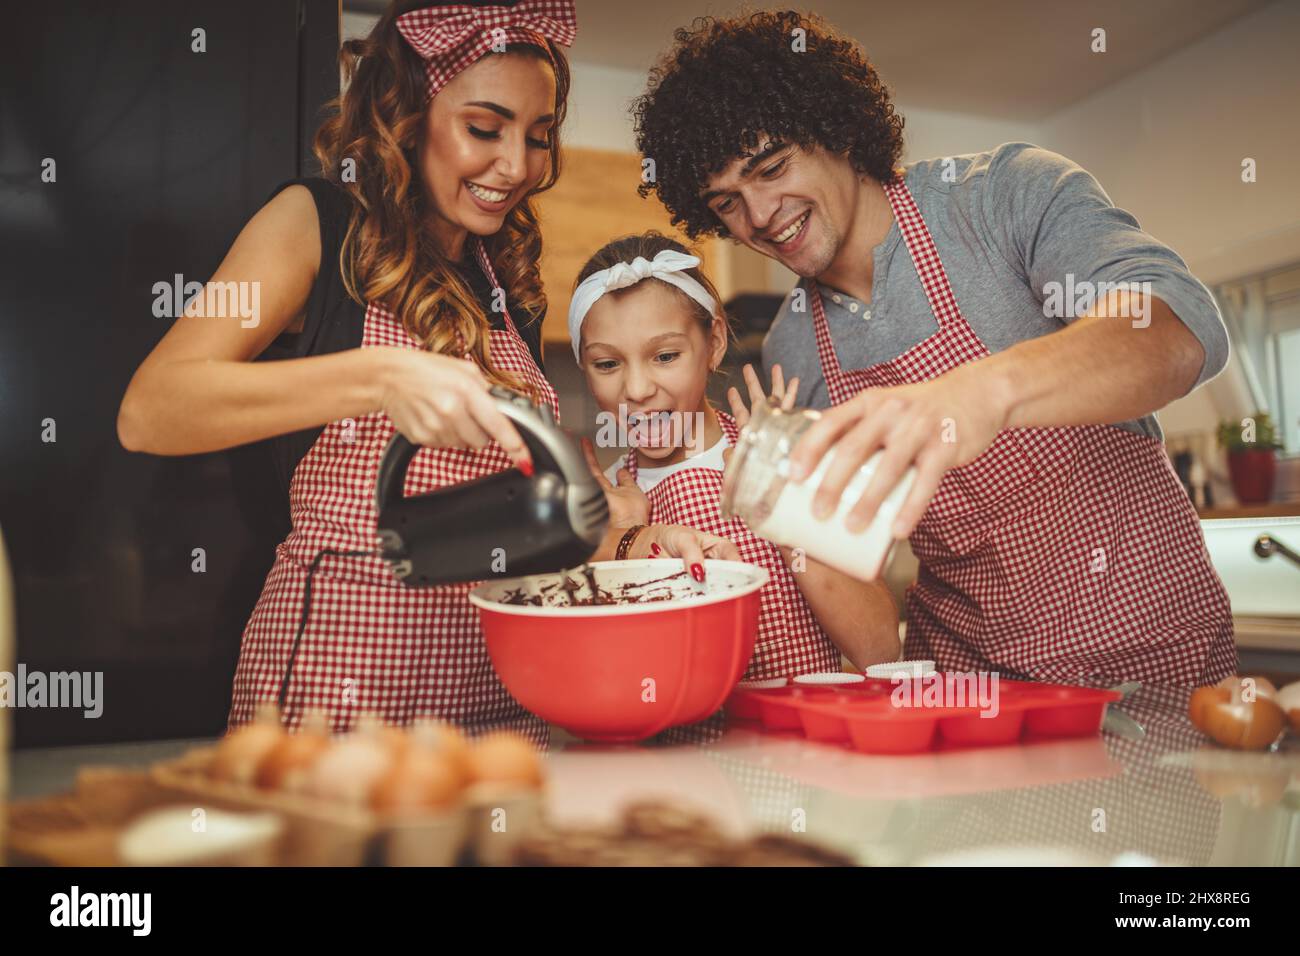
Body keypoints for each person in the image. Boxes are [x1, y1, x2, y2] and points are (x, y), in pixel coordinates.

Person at [116, 0, 735, 742]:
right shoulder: (317, 224)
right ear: (408, 116)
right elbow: (152, 409)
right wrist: (381, 376)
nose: (516, 166)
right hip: (343, 697)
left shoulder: (506, 278)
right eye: (484, 128)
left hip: (507, 702)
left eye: (538, 137)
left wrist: (632, 547)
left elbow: (513, 515)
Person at [631, 11, 1235, 686]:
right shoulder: (792, 349)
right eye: (727, 204)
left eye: (772, 168)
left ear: (835, 127)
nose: (762, 216)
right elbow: (857, 563)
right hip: (971, 684)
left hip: (1158, 652)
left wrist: (982, 393)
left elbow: (1178, 330)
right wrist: (775, 512)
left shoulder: (1004, 196)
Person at [571, 232, 900, 675]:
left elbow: (879, 649)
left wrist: (777, 495)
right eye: (607, 364)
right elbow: (614, 680)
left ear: (715, 344)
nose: (636, 390)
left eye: (665, 355)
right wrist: (630, 534)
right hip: (683, 746)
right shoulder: (610, 506)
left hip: (806, 737)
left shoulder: (788, 458)